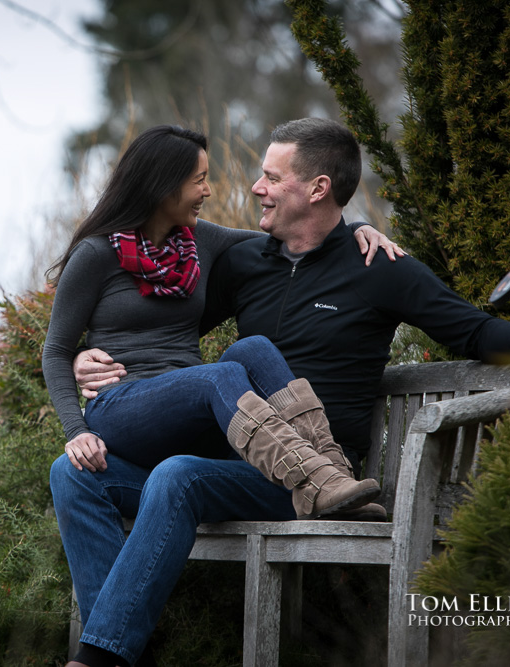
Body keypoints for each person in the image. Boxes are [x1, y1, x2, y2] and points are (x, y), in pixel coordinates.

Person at [63, 118, 510, 667]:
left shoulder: (376, 265)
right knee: (75, 473)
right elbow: (163, 327)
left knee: (178, 474)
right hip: (241, 461)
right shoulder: (245, 262)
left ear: (317, 188)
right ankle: (116, 641)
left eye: (271, 177)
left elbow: (471, 329)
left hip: (323, 477)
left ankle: (99, 660)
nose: (254, 188)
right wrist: (81, 357)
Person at [43, 124, 402, 667]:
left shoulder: (202, 243)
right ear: (164, 186)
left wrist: (359, 227)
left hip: (184, 413)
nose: (208, 190)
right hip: (122, 408)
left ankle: (109, 653)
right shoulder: (96, 255)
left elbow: (296, 233)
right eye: (199, 180)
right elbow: (54, 349)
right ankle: (317, 478)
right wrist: (77, 427)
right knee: (209, 380)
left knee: (250, 349)